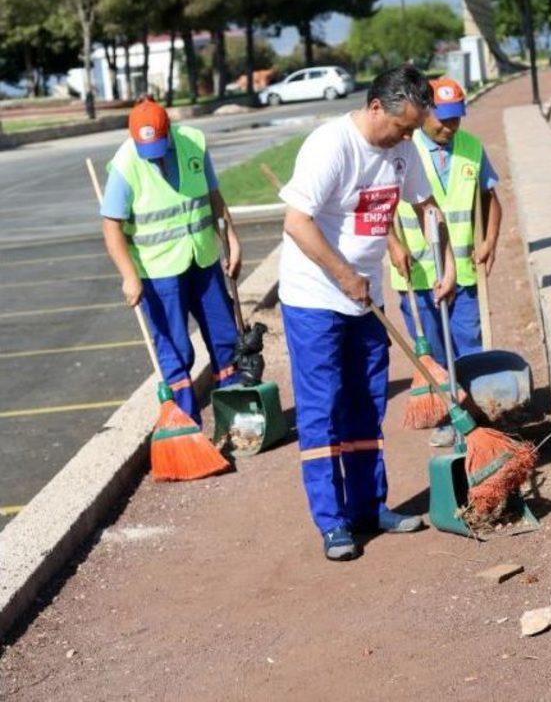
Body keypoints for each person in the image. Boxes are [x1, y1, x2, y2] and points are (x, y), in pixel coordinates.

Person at [278, 66, 456, 561]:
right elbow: (296, 222)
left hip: (363, 297)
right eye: (401, 127)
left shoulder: (403, 146)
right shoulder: (330, 146)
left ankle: (367, 507)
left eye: (413, 130)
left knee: (366, 403)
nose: (406, 137)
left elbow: (427, 205)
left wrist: (447, 261)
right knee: (323, 410)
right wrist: (342, 275)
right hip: (315, 298)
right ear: (377, 106)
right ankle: (333, 523)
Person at [100, 97, 241, 426]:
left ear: (169, 132)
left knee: (224, 338)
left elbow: (214, 197)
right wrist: (129, 276)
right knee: (176, 349)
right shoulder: (124, 164)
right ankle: (186, 426)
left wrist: (232, 240)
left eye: (160, 146)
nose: (155, 156)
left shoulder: (193, 143)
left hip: (203, 258)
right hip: (157, 271)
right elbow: (111, 227)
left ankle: (235, 415)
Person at [387, 76, 502, 447]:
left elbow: (491, 200)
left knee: (469, 345)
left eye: (457, 119)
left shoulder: (470, 148)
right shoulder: (402, 151)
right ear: (425, 112)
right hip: (418, 274)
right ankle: (445, 416)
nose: (451, 127)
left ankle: (477, 413)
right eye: (443, 119)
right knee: (434, 351)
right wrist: (393, 245)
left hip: (464, 271)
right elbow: (382, 205)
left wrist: (490, 242)